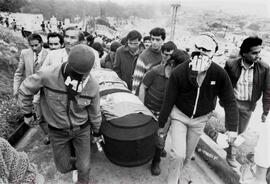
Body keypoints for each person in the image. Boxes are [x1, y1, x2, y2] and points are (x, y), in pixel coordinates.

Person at [157, 34, 239, 184]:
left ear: (213, 52)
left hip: (200, 120)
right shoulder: (179, 72)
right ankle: (173, 180)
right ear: (193, 48)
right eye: (198, 48)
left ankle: (178, 173)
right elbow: (168, 100)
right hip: (179, 116)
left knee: (187, 156)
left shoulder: (219, 74)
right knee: (178, 154)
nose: (201, 53)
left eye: (206, 50)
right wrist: (161, 124)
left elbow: (229, 101)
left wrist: (232, 128)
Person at [17, 44, 102, 184]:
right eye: (76, 74)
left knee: (85, 167)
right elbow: (25, 89)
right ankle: (77, 166)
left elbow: (95, 112)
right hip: (57, 132)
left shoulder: (92, 85)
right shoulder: (47, 75)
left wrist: (97, 132)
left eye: (84, 75)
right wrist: (27, 113)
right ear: (68, 62)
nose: (80, 78)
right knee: (62, 168)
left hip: (82, 130)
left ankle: (81, 173)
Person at [224, 36, 270, 168]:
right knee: (232, 129)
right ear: (244, 53)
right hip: (232, 103)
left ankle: (227, 145)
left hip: (248, 106)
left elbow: (268, 92)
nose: (257, 56)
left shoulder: (264, 68)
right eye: (254, 53)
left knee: (240, 130)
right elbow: (222, 85)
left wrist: (265, 112)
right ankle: (231, 155)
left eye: (259, 52)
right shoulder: (231, 64)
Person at [138, 57, 176, 176]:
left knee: (160, 139)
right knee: (145, 134)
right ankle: (144, 154)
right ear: (171, 64)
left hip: (165, 114)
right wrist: (142, 107)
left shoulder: (179, 77)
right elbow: (143, 86)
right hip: (149, 110)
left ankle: (156, 161)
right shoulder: (154, 72)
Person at [13, 33, 49, 127]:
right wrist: (16, 90)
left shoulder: (49, 54)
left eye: (36, 45)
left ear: (41, 43)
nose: (34, 48)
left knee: (46, 116)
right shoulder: (25, 53)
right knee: (38, 118)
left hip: (45, 90)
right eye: (31, 46)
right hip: (30, 90)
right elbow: (18, 73)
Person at [132, 27, 166, 95]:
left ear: (163, 40)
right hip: (148, 94)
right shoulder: (143, 56)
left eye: (158, 40)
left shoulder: (166, 54)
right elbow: (137, 81)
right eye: (152, 39)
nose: (154, 42)